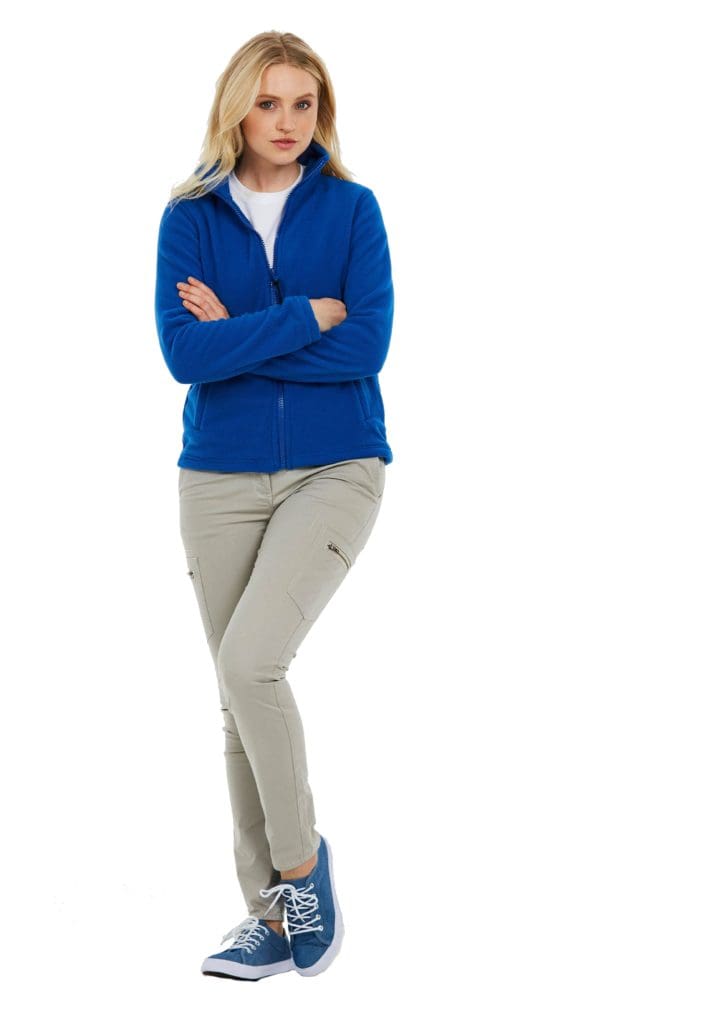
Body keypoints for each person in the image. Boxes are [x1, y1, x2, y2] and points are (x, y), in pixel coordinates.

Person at [153, 30, 394, 983]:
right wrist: (301, 318)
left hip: (336, 467)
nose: (286, 121)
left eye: (303, 103)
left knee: (252, 661)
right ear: (236, 109)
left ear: (319, 111)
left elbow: (366, 345)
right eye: (267, 102)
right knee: (235, 694)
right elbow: (184, 356)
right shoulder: (189, 216)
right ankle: (266, 918)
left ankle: (300, 873)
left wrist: (241, 334)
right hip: (218, 475)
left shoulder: (353, 209)